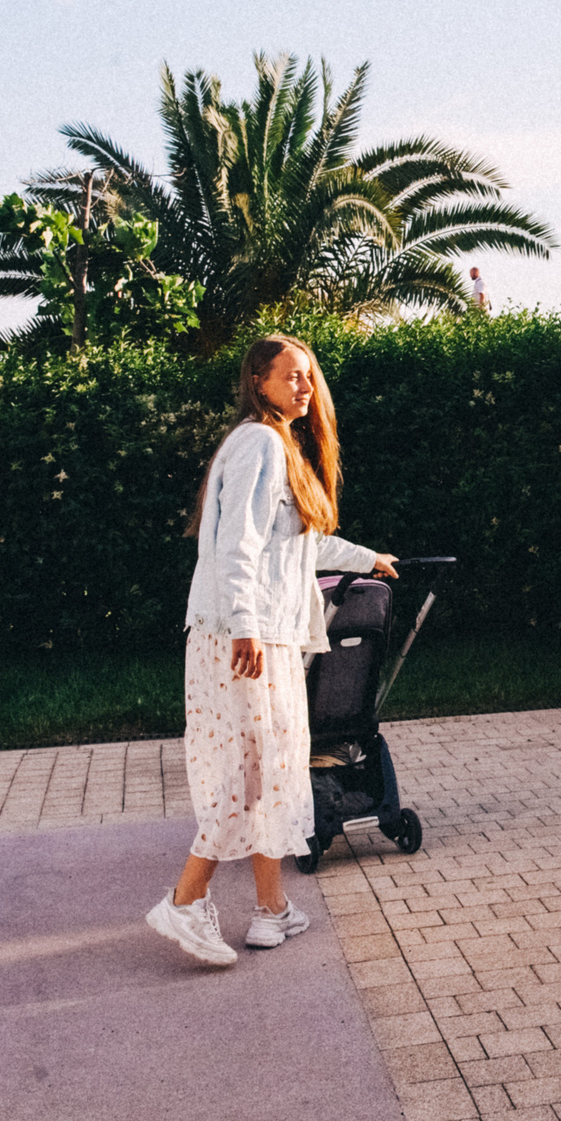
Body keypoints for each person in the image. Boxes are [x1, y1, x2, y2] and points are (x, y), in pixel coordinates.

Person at [146, 334, 397, 967]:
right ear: (258, 382)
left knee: (272, 772)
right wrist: (246, 627)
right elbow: (240, 546)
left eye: (309, 376)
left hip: (261, 636)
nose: (304, 387)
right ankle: (183, 901)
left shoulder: (277, 445)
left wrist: (370, 558)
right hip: (244, 638)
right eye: (290, 377)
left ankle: (271, 910)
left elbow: (304, 546)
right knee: (247, 774)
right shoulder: (259, 442)